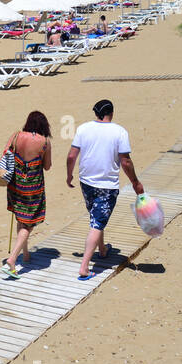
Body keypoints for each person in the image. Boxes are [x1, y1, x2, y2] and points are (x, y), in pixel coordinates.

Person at [67, 99, 143, 281]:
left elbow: (71, 155)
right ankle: (84, 268)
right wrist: (135, 182)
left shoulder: (83, 129)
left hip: (86, 182)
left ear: (96, 113)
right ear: (112, 113)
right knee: (97, 223)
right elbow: (125, 161)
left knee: (96, 217)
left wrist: (69, 175)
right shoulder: (120, 132)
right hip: (107, 186)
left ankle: (102, 250)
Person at [2, 111, 52, 278]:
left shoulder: (16, 136)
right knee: (28, 223)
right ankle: (13, 258)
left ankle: (26, 253)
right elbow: (47, 166)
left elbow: (5, 154)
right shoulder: (44, 142)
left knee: (20, 217)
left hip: (15, 184)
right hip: (33, 187)